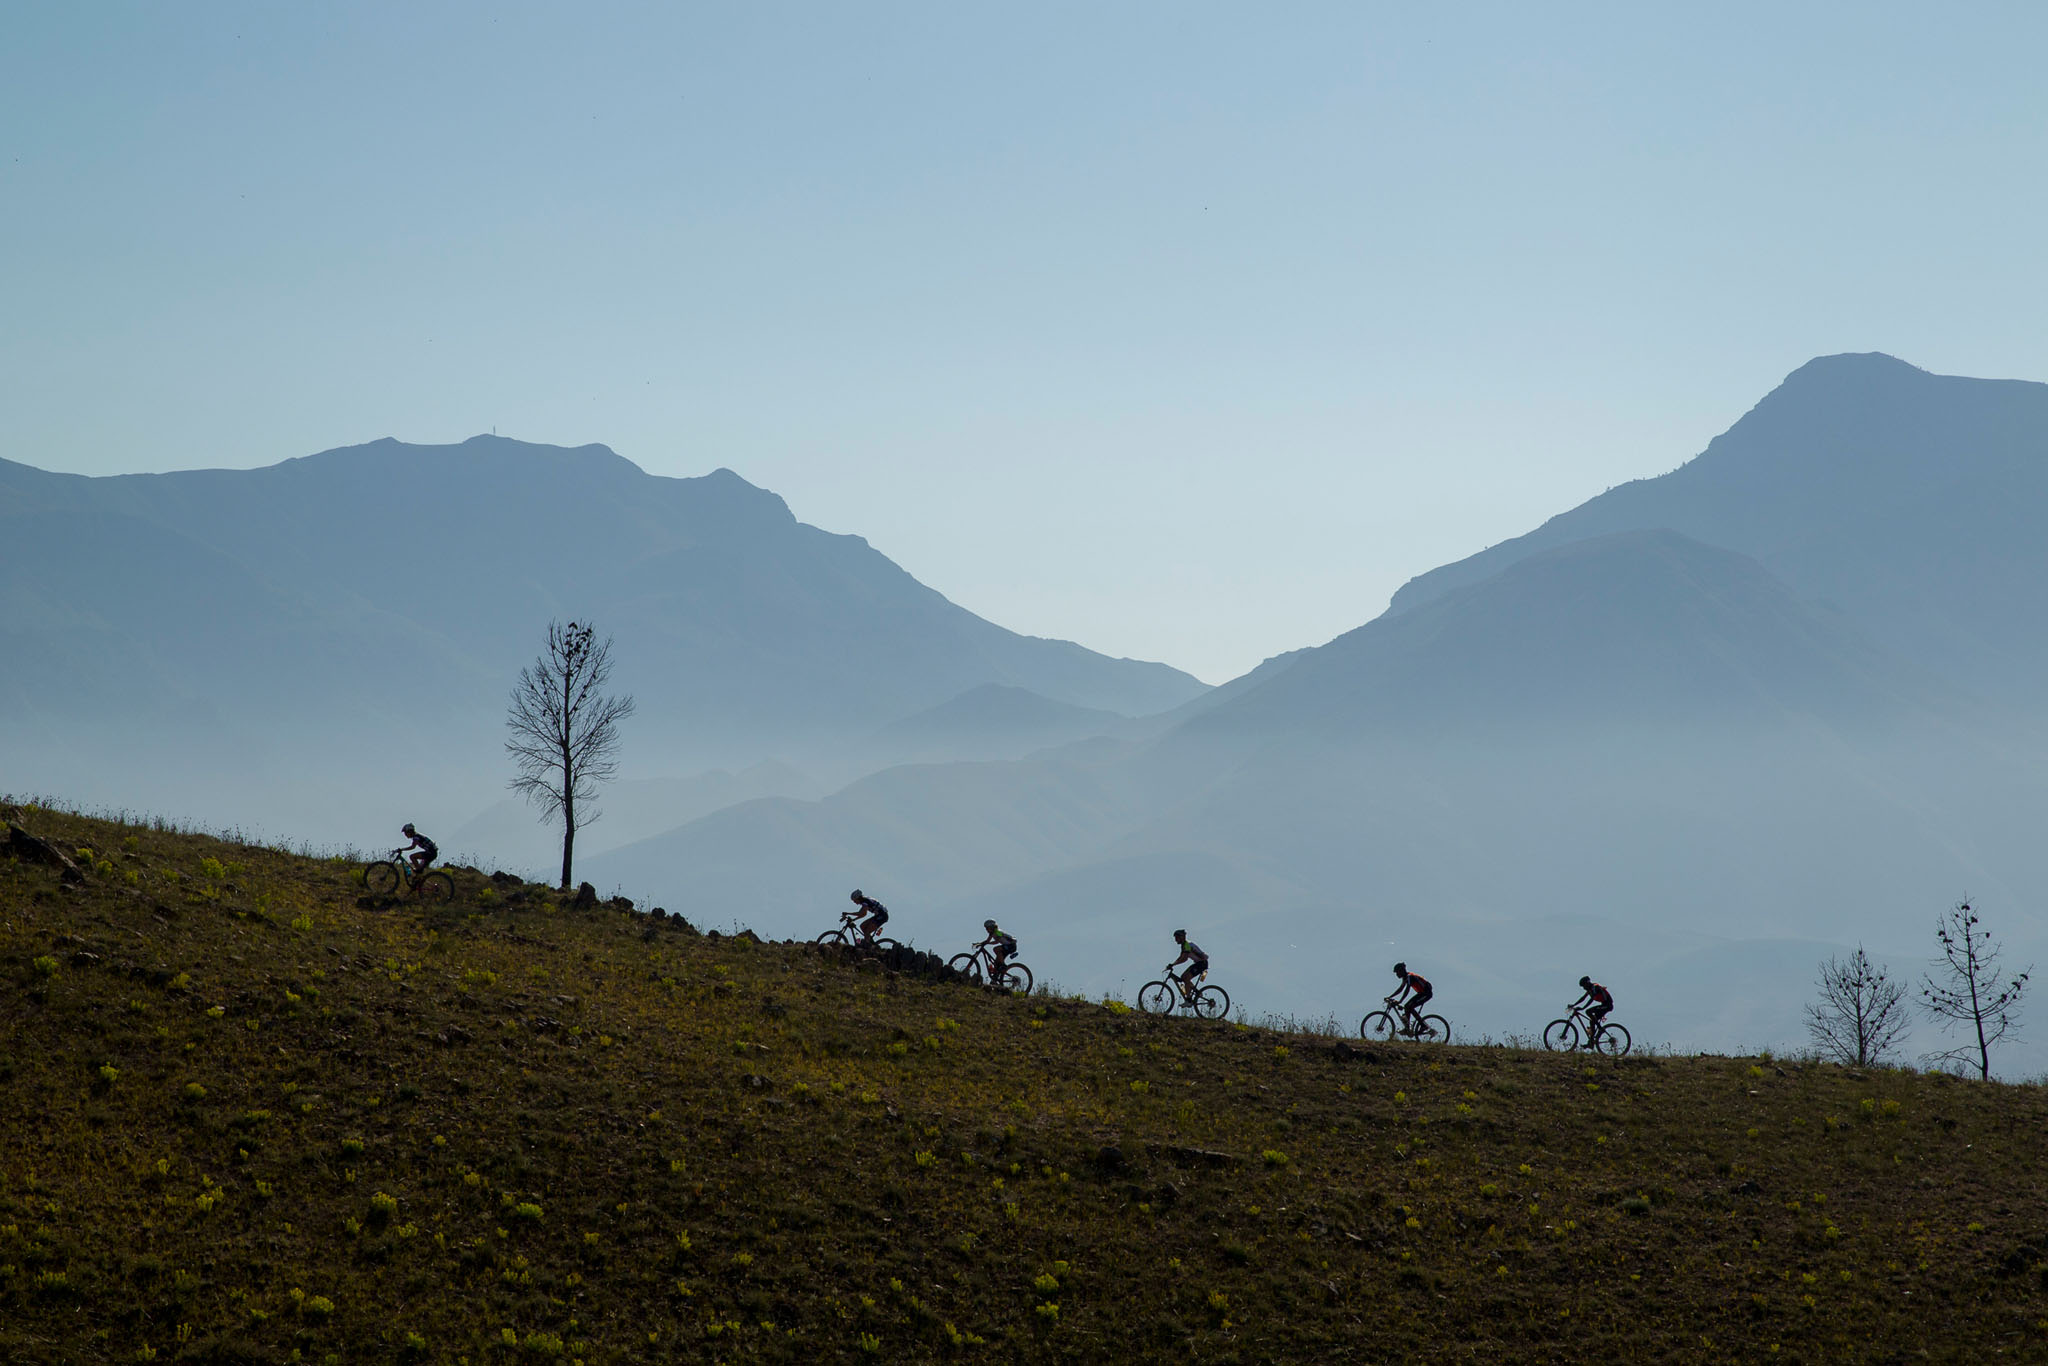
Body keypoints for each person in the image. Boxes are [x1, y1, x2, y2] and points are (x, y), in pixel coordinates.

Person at [1389, 961, 1433, 1035]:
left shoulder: (1409, 976)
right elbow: (1400, 989)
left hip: (1426, 993)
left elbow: (1407, 990)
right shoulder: (1405, 978)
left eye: (1397, 972)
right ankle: (1407, 1029)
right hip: (1421, 993)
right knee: (1407, 1006)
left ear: (1401, 971)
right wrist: (1390, 996)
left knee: (1410, 1007)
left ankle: (1423, 1026)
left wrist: (1400, 1001)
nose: (1396, 974)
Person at [1168, 929, 1209, 1002]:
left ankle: (1188, 999)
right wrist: (1173, 964)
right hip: (1198, 963)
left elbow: (1184, 958)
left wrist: (1173, 964)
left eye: (1177, 938)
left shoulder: (1187, 945)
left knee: (1186, 978)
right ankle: (1197, 992)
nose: (1175, 940)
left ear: (1182, 937)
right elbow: (1182, 957)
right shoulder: (1184, 945)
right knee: (1183, 977)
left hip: (1202, 963)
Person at [1572, 975, 1614, 1041]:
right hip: (1604, 1005)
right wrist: (1573, 1005)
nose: (1583, 988)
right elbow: (1583, 998)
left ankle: (1600, 1029)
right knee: (1592, 1021)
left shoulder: (1595, 987)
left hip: (1607, 1005)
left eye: (1584, 986)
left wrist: (1583, 1008)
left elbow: (1591, 999)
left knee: (1588, 1011)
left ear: (1587, 983)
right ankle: (1591, 1042)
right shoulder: (1590, 989)